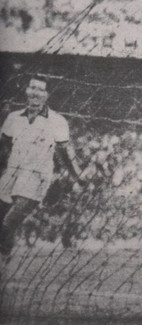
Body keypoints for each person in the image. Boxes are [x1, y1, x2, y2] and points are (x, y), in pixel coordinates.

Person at [0, 76, 84, 256]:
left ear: (47, 95)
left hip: (36, 178)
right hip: (11, 174)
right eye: (32, 87)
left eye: (40, 89)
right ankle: (4, 265)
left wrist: (77, 176)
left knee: (9, 222)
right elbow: (4, 146)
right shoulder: (14, 118)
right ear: (26, 90)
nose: (35, 92)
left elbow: (65, 153)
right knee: (3, 226)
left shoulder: (57, 121)